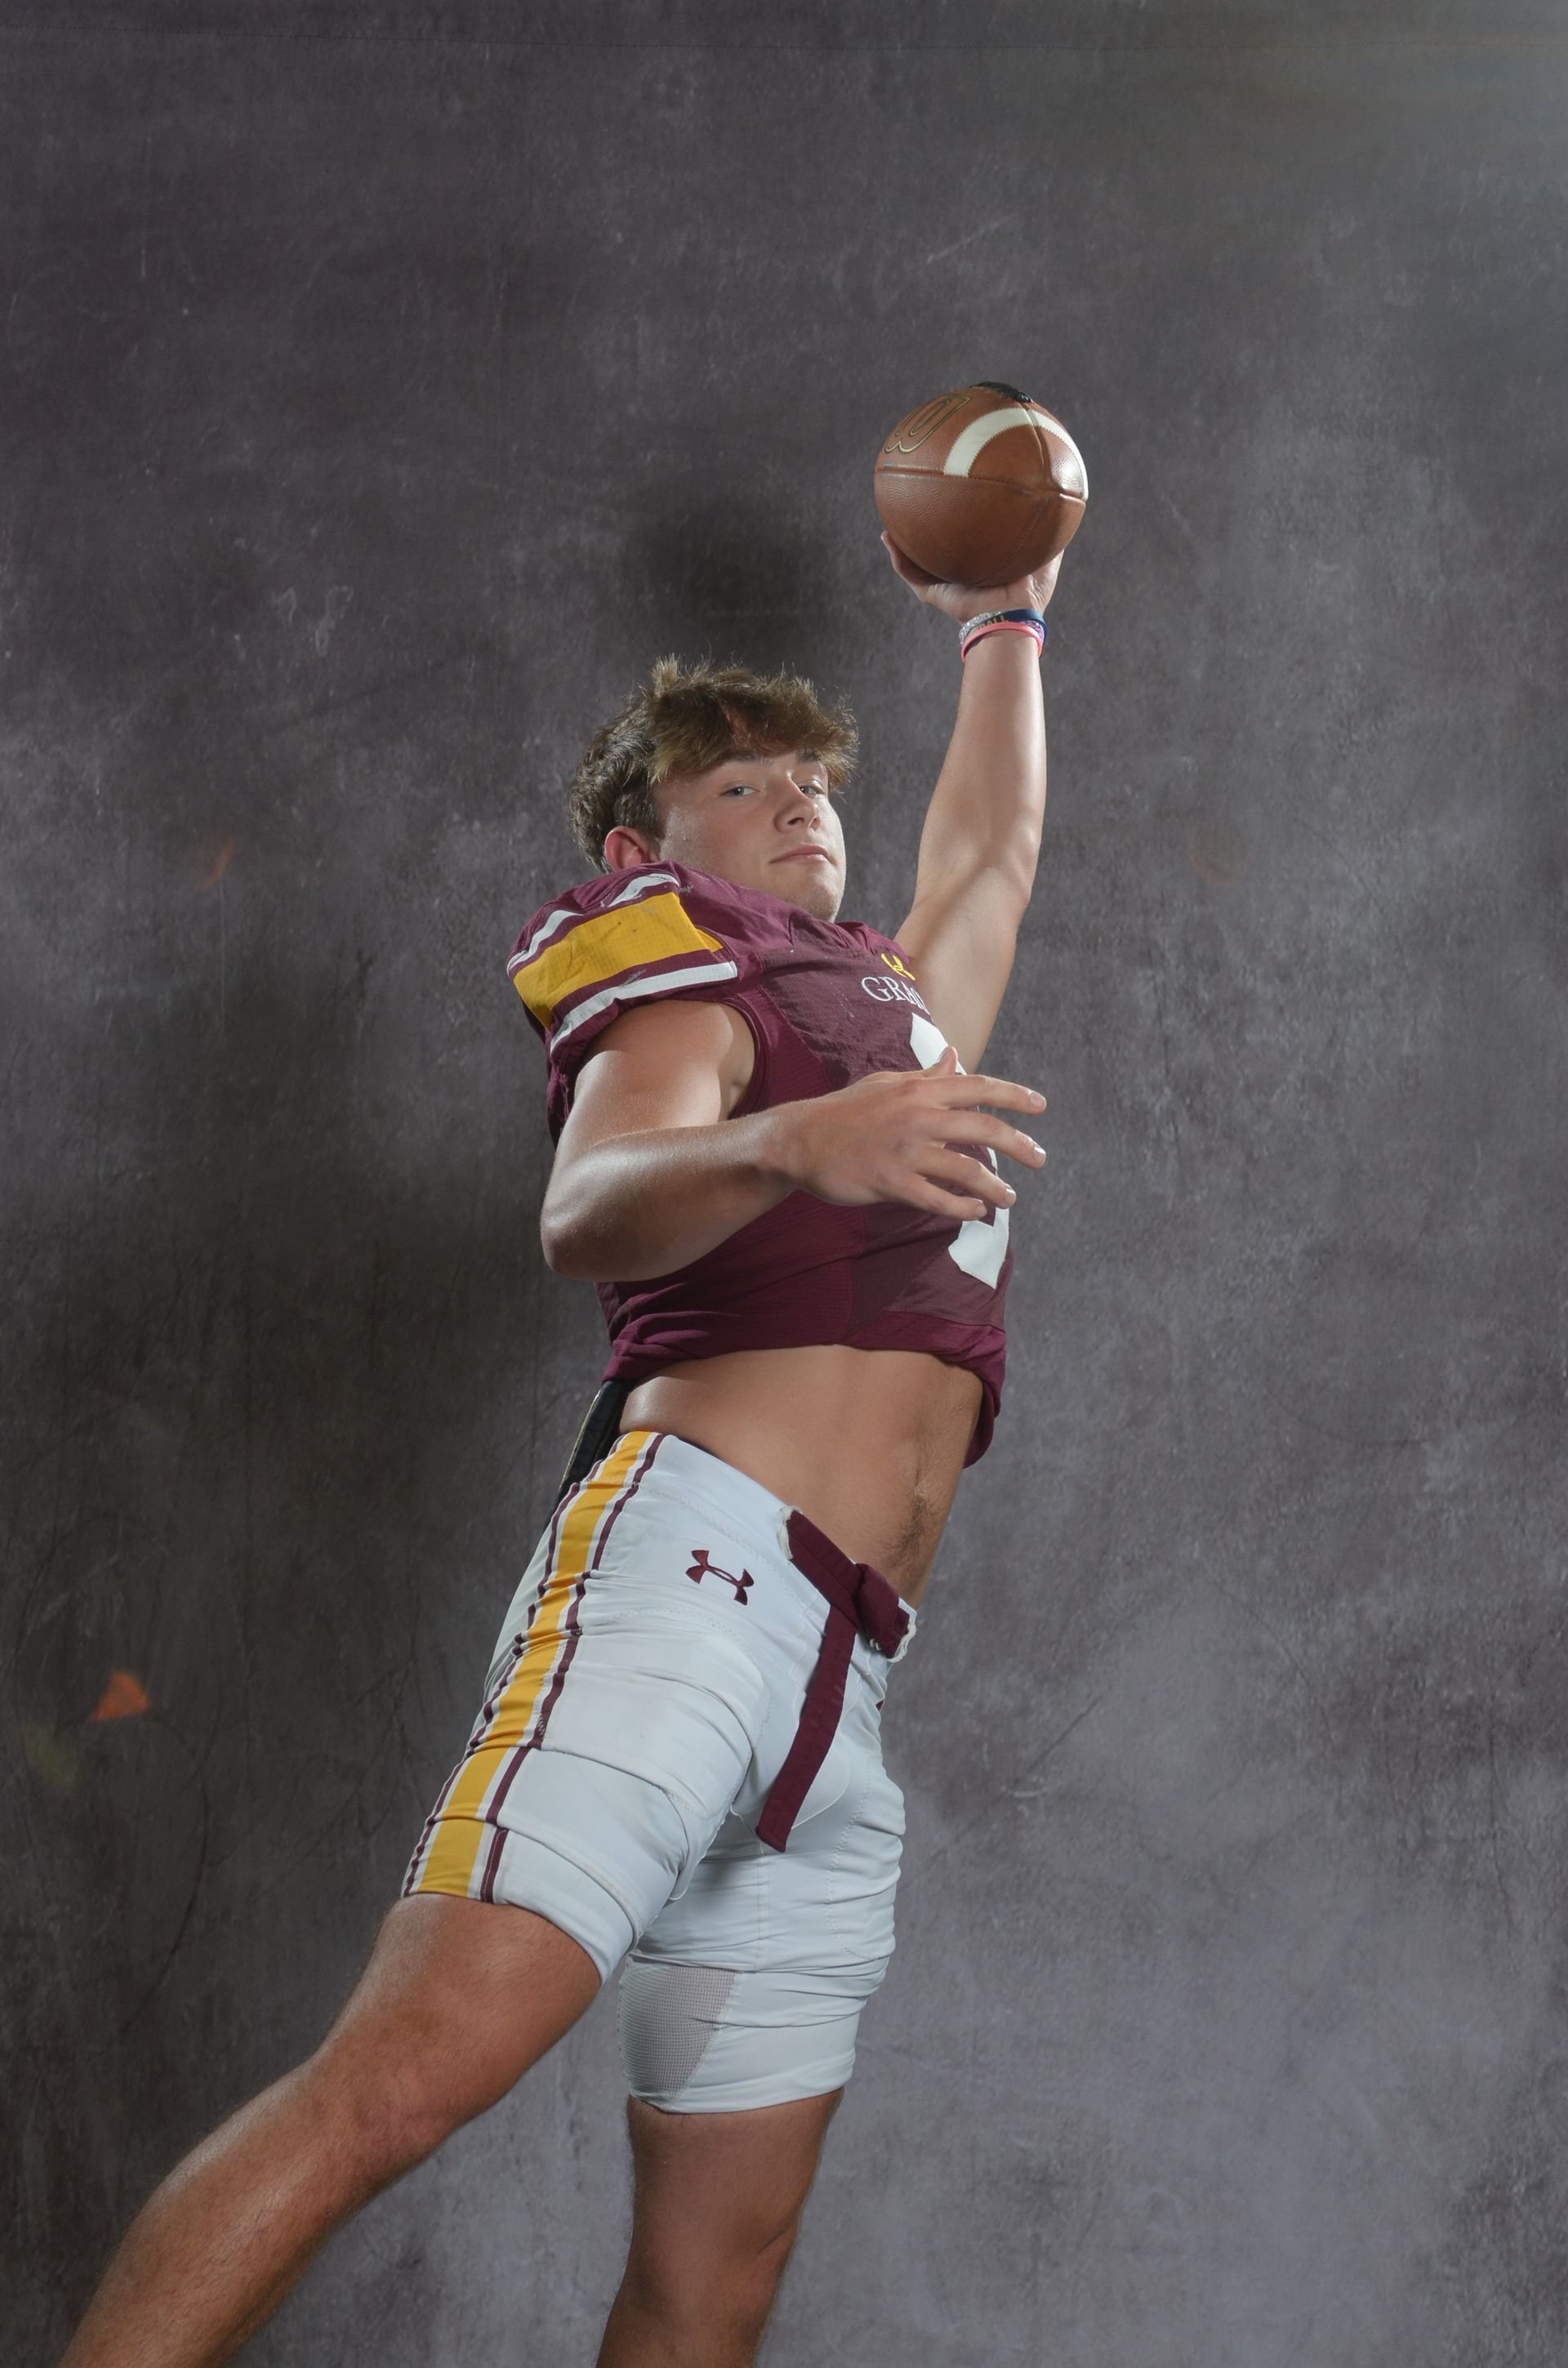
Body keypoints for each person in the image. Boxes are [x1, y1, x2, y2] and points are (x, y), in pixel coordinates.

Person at [57, 527, 1062, 2368]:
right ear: (642, 847)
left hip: (847, 1684)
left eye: (818, 781)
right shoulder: (693, 977)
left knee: (714, 2284)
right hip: (691, 1582)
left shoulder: (888, 1015)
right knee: (398, 2089)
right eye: (742, 782)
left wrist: (1009, 617)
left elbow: (990, 853)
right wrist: (786, 1151)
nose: (800, 808)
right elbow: (588, 1202)